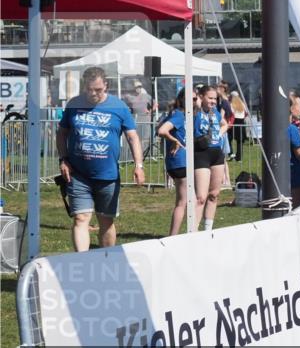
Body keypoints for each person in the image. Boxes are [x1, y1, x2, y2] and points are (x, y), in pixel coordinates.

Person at [56, 66, 145, 251]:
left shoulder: (118, 107)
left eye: (98, 89)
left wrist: (139, 165)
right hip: (78, 174)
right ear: (84, 86)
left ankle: (106, 259)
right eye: (89, 90)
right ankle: (84, 261)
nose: (94, 94)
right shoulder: (74, 104)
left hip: (107, 176)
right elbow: (62, 134)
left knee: (106, 220)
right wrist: (63, 159)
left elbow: (132, 137)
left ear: (106, 85)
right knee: (81, 218)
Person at [158, 88, 197, 235]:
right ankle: (173, 237)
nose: (194, 102)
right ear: (182, 99)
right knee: (183, 202)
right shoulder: (179, 115)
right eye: (191, 99)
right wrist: (174, 140)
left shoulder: (182, 115)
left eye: (195, 99)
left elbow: (158, 128)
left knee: (191, 200)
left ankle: (191, 232)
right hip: (179, 162)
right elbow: (161, 130)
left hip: (182, 161)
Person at [193, 84, 228, 231]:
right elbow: (193, 104)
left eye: (215, 98)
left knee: (214, 194)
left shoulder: (215, 112)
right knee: (201, 197)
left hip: (216, 154)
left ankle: (208, 230)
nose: (213, 101)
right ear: (201, 97)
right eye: (210, 98)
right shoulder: (195, 112)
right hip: (201, 154)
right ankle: (192, 231)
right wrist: (198, 103)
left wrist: (219, 134)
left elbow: (224, 124)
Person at [229, 91, 248, 162]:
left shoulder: (231, 104)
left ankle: (231, 153)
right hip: (241, 123)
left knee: (229, 138)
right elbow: (246, 113)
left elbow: (231, 113)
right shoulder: (242, 104)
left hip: (234, 122)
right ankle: (239, 157)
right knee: (240, 141)